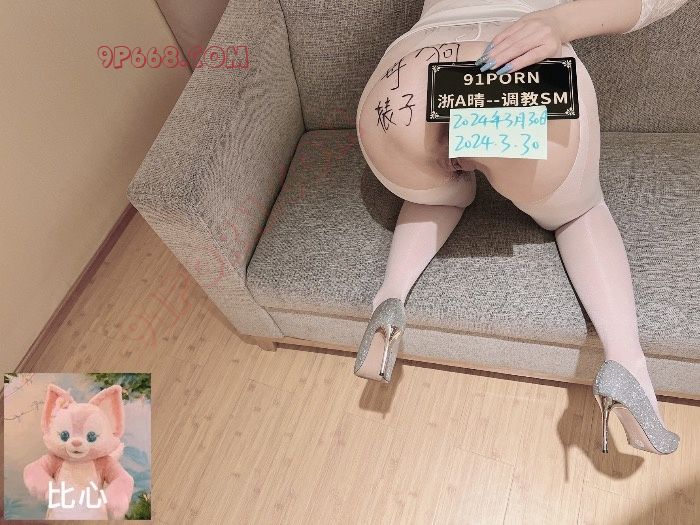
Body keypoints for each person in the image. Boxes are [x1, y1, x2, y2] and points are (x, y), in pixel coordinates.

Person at [354, 0, 689, 454]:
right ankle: (626, 363)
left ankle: (389, 297)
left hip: (408, 77)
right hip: (518, 68)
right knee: (577, 211)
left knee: (436, 192)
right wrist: (558, 22)